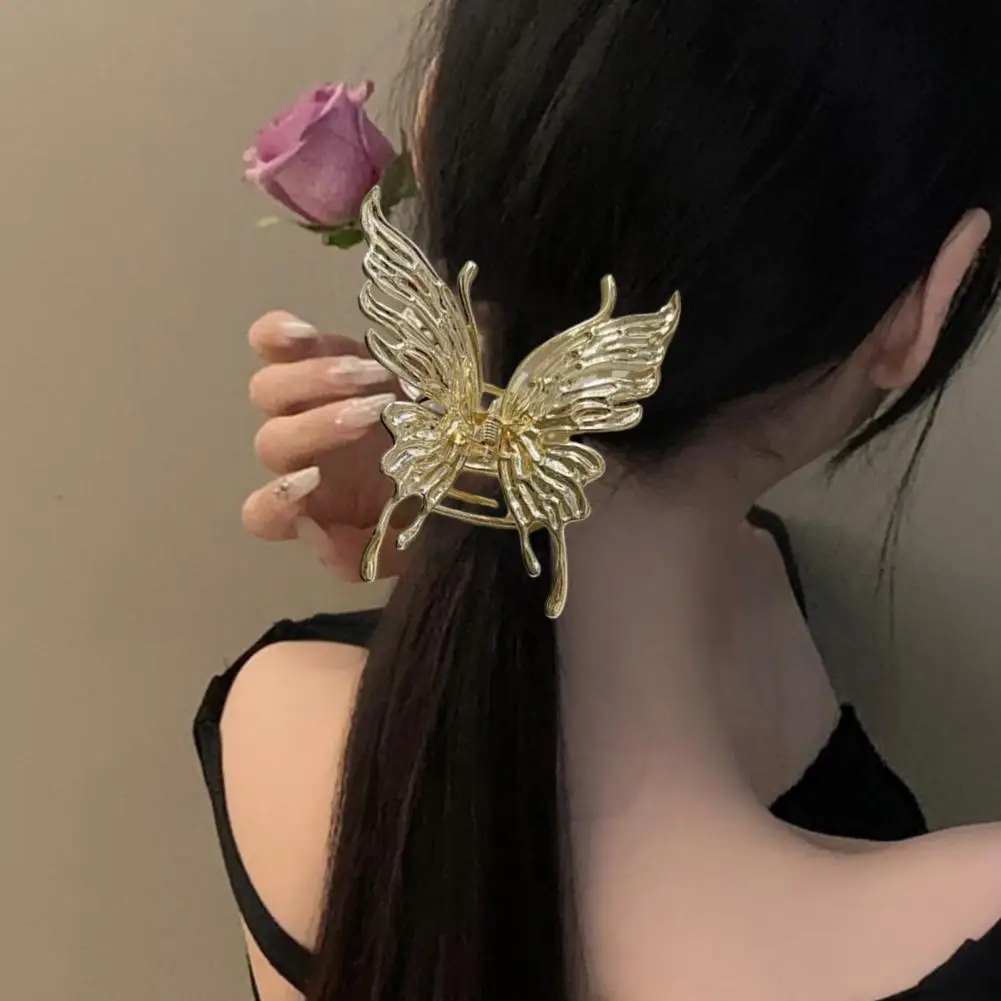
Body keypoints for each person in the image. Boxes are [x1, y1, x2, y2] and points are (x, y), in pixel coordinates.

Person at [195, 2, 1001, 999]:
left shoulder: (276, 721)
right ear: (922, 305)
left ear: (431, 137)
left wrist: (472, 505)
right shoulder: (970, 919)